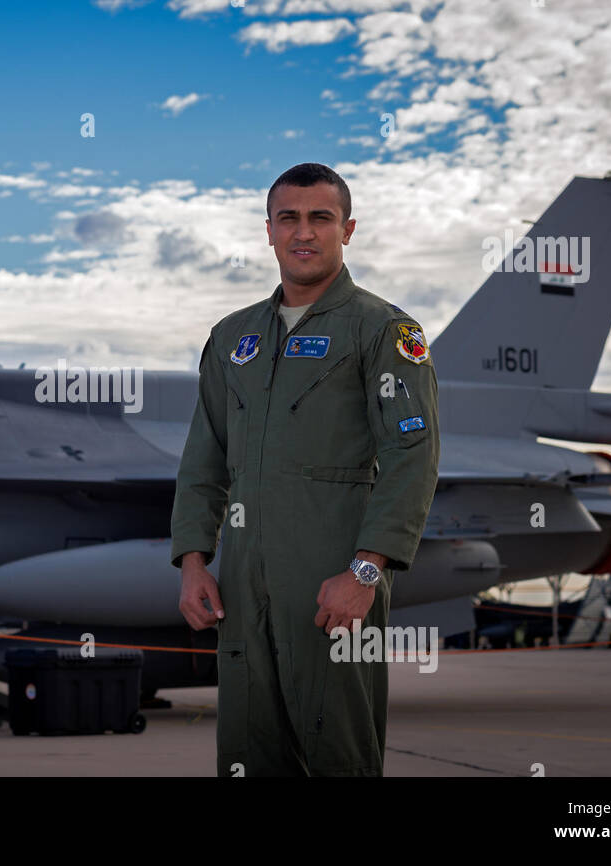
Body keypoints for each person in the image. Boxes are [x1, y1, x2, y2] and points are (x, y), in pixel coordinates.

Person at [170, 162, 440, 776]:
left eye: (321, 218)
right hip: (242, 587)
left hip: (332, 579)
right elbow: (204, 458)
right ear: (268, 231)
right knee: (247, 750)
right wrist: (193, 563)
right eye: (288, 218)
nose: (304, 232)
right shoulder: (233, 338)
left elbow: (412, 457)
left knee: (338, 750)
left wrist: (364, 572)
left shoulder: (384, 330)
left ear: (348, 229)